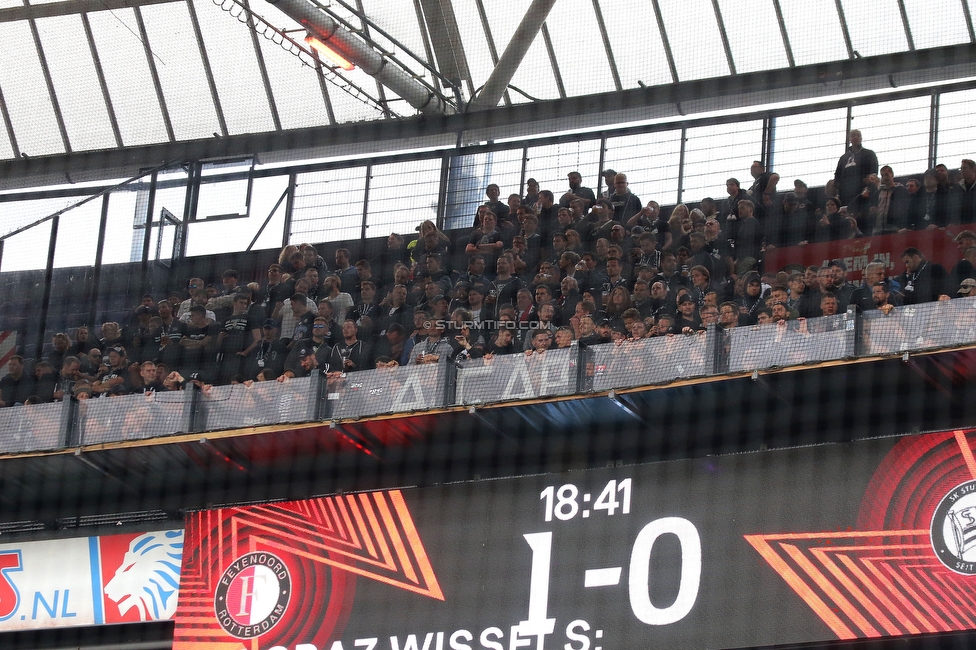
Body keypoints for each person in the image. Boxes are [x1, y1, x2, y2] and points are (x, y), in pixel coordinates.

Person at [834, 129, 879, 206]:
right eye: (853, 135)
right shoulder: (843, 158)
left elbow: (874, 171)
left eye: (858, 135)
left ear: (861, 138)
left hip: (863, 192)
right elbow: (837, 175)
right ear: (849, 139)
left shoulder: (869, 154)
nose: (856, 137)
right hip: (846, 194)